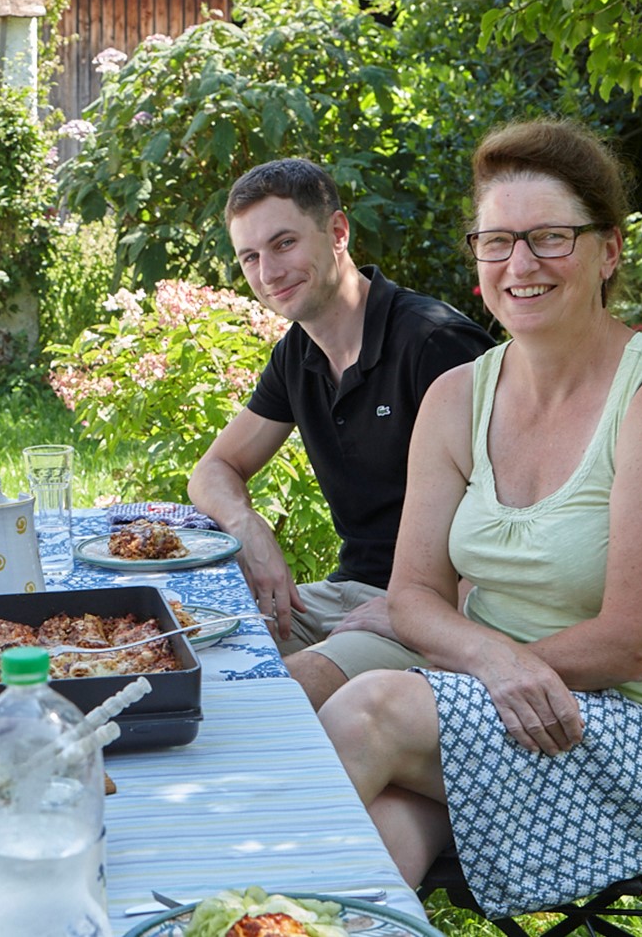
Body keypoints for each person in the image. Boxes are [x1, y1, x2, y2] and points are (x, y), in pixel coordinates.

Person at [319, 119, 642, 915]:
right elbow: (414, 592)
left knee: (372, 707)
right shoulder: (459, 395)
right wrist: (494, 664)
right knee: (388, 831)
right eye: (496, 242)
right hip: (503, 712)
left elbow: (636, 641)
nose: (520, 265)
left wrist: (484, 671)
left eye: (550, 238)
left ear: (610, 249)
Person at [187, 158, 493, 707]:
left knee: (282, 697)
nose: (268, 273)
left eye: (284, 244)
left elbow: (513, 512)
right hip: (345, 595)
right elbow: (214, 469)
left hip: (447, 609)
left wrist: (421, 612)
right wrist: (245, 524)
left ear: (337, 232)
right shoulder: (297, 355)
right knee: (197, 658)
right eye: (250, 257)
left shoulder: (433, 343)